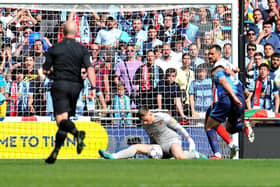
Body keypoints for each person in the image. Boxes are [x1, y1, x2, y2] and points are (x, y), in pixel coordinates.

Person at [43, 21, 96, 164]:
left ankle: (77, 134)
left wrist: (52, 72)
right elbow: (90, 68)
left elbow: (45, 70)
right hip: (76, 86)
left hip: (60, 84)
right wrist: (94, 88)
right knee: (65, 119)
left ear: (62, 31)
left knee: (61, 121)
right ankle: (55, 152)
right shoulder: (82, 49)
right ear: (76, 31)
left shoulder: (54, 49)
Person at [99, 107, 207, 160]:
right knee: (136, 147)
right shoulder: (144, 123)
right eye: (143, 121)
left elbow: (179, 127)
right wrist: (152, 150)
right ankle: (113, 156)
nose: (145, 123)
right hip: (159, 146)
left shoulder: (163, 117)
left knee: (180, 157)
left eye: (146, 120)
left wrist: (190, 140)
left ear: (150, 114)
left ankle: (196, 155)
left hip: (172, 142)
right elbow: (153, 136)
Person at [205, 44, 254, 159]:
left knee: (209, 125)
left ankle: (217, 154)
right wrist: (245, 92)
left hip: (227, 98)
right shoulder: (227, 64)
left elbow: (223, 81)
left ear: (219, 54)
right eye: (208, 54)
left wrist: (233, 97)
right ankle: (243, 128)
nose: (209, 56)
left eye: (212, 54)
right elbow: (236, 71)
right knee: (230, 128)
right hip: (240, 96)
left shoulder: (216, 68)